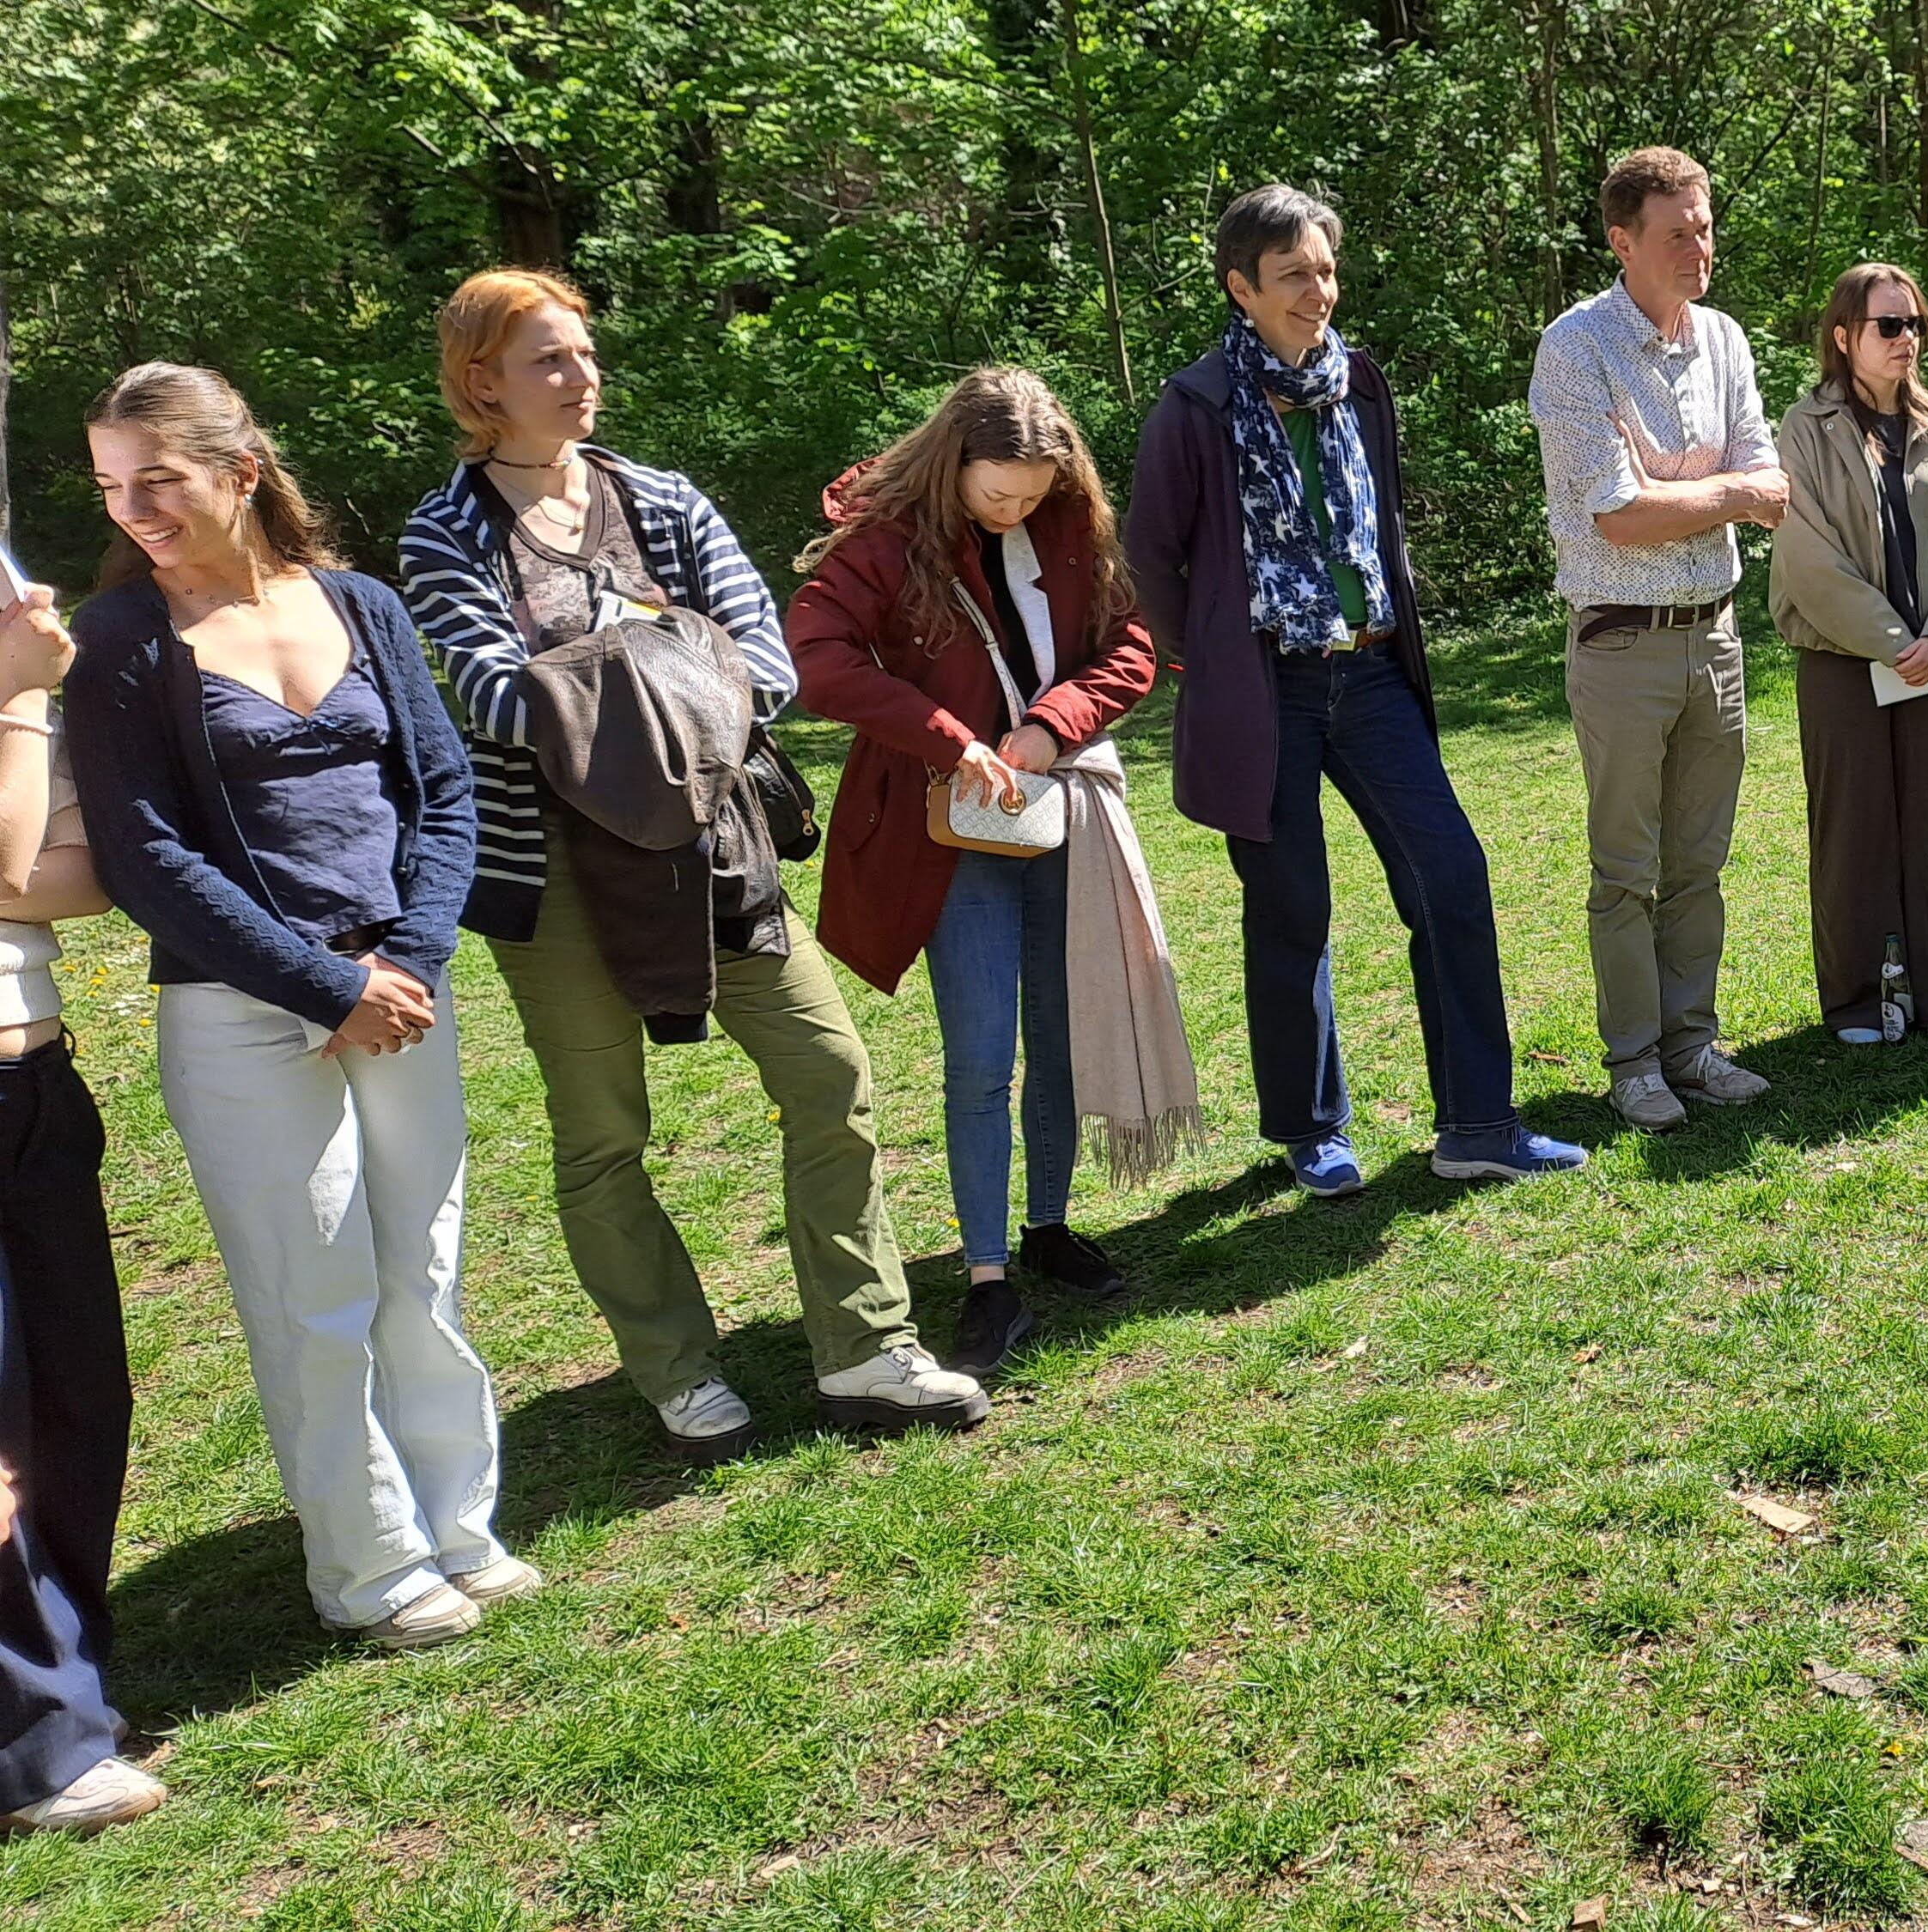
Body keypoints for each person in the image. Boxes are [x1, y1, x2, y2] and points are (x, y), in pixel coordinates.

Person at [399, 268, 984, 1457]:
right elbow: (498, 700)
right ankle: (674, 1366)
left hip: (718, 847)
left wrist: (608, 669)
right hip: (554, 874)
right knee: (603, 1132)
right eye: (549, 359)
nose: (581, 376)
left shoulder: (663, 498)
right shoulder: (443, 531)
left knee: (828, 1073)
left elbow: (765, 667)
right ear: (482, 382)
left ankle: (866, 1346)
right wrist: (668, 646)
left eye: (584, 352)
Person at [68, 364, 529, 1649]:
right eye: (113, 487)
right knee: (312, 1293)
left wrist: (408, 962)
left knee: (421, 1273)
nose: (135, 511)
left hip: (404, 996)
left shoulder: (361, 604)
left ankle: (458, 1527)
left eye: (159, 479)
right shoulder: (119, 640)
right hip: (242, 1013)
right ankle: (370, 1570)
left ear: (243, 471)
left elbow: (443, 791)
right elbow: (144, 856)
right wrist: (328, 986)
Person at [1133, 186, 1588, 1190]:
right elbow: (1150, 553)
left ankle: (1478, 1126)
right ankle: (1311, 1129)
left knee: (1450, 877)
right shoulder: (1196, 405)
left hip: (1371, 672)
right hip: (1267, 686)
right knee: (1292, 907)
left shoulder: (1358, 383)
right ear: (1241, 288)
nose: (1318, 291)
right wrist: (1210, 661)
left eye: (1326, 270)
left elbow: (1380, 523)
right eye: (1293, 274)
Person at [788, 368, 1188, 1373]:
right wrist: (948, 738)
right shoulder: (883, 536)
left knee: (1059, 1032)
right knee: (979, 1058)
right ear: (952, 463)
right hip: (949, 831)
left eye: (1033, 494)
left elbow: (1133, 644)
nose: (1016, 511)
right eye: (998, 494)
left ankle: (1047, 1226)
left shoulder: (1072, 522)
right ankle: (986, 1276)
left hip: (1058, 813)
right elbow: (819, 659)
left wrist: (1054, 724)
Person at [1529, 147, 1788, 1133]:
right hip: (1620, 646)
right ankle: (1634, 1063)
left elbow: (1770, 483)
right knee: (1625, 871)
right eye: (1677, 233)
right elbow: (1619, 516)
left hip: (1715, 637)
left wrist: (1674, 487)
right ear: (1622, 241)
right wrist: (1716, 492)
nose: (1699, 248)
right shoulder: (1575, 348)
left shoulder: (1723, 339)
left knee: (1698, 865)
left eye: (1705, 227)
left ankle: (1692, 1047)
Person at [0, 577, 161, 1826]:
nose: (36, 593)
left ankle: (70, 1667)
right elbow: (16, 861)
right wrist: (13, 703)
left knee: (77, 1398)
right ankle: (41, 1737)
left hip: (35, 1081)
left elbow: (78, 875)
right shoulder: (14, 692)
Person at [1768, 262, 1928, 1042]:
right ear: (1844, 336)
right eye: (1890, 325)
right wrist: (1896, 642)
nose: (1908, 339)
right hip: (1843, 662)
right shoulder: (1804, 430)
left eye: (1915, 324)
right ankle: (1857, 1000)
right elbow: (1807, 557)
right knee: (1852, 831)